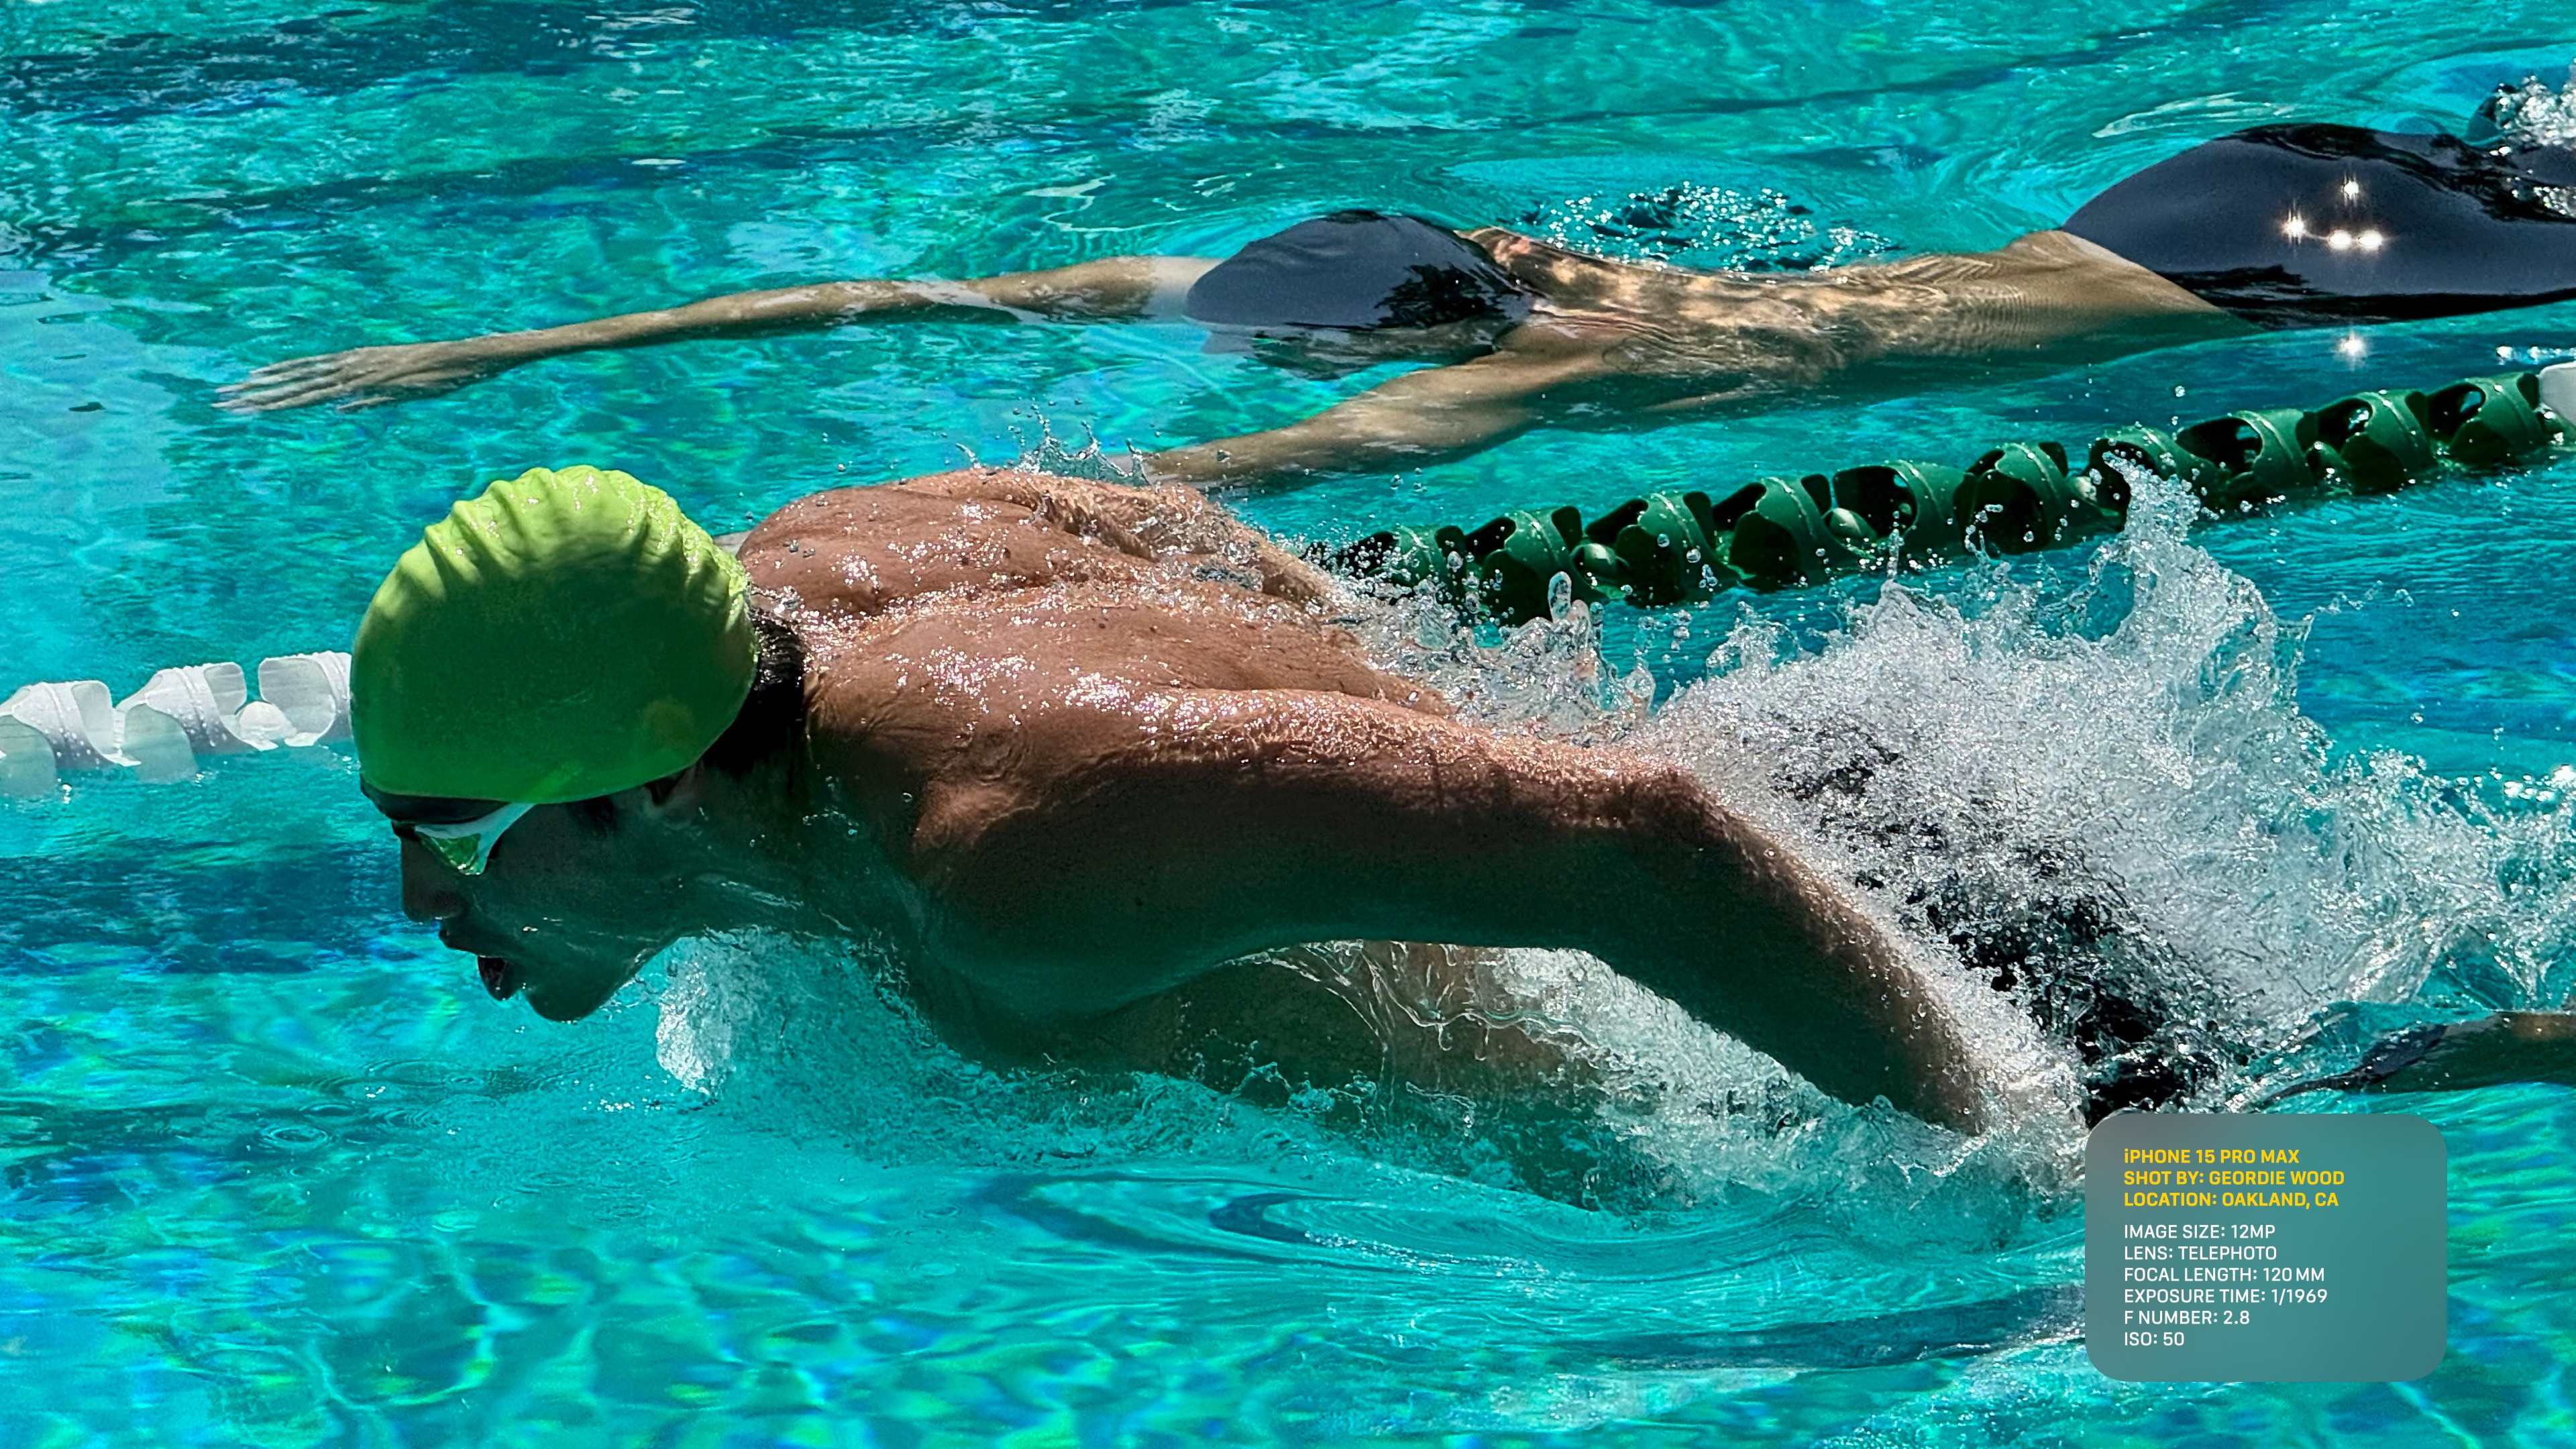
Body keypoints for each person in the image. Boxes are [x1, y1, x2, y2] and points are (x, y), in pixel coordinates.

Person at [360, 464, 2576, 1136]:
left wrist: (2006, 1142)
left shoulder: (1004, 871)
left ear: (641, 796)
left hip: (1837, 962)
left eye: (449, 837)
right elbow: (1140, 518)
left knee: (2315, 1305)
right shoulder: (796, 573)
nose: (416, 901)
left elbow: (1635, 848)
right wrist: (1388, 736)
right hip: (1824, 798)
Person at [228, 123, 2576, 490]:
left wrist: (948, 519)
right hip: (2184, 193)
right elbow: (885, 286)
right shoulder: (1363, 277)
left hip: (2226, 270)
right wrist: (508, 349)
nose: (1267, 354)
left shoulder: (1563, 353)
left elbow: (1265, 471)